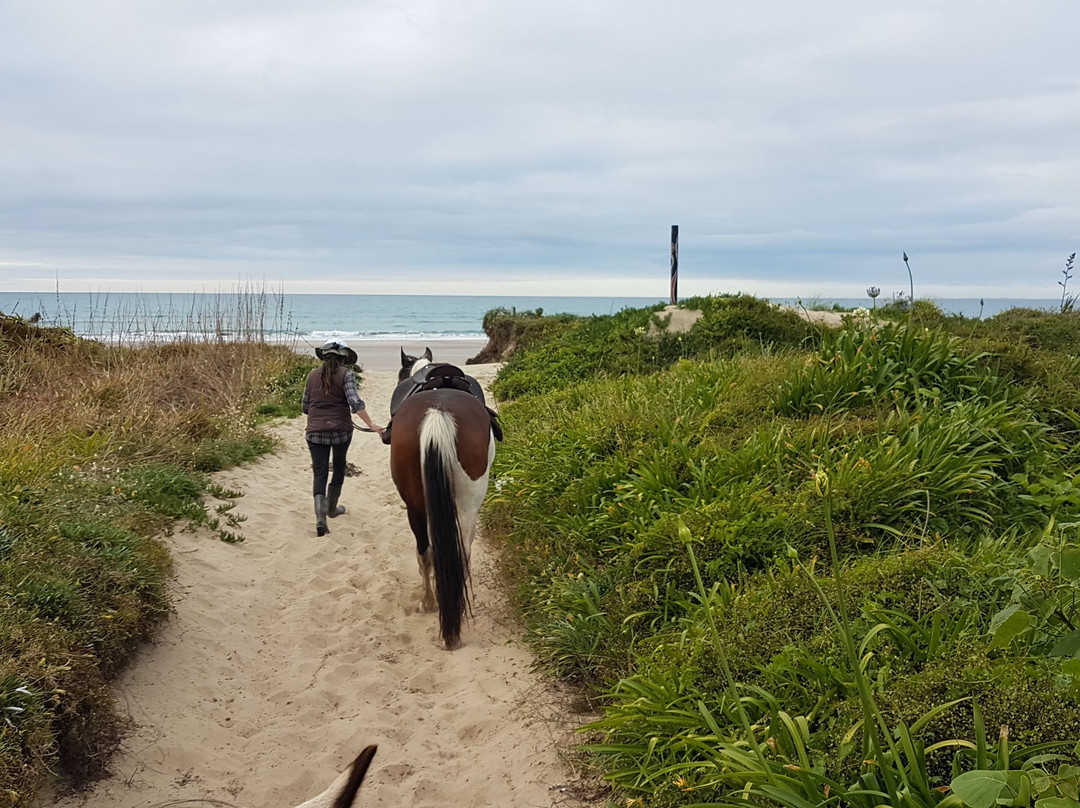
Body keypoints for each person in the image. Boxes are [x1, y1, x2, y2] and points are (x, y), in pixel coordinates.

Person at [302, 340, 384, 536]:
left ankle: (320, 518)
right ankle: (332, 509)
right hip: (341, 432)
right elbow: (355, 403)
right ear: (344, 360)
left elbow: (305, 407)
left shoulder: (312, 375)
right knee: (339, 466)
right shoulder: (346, 375)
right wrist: (371, 425)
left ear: (324, 357)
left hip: (314, 432)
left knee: (320, 472)